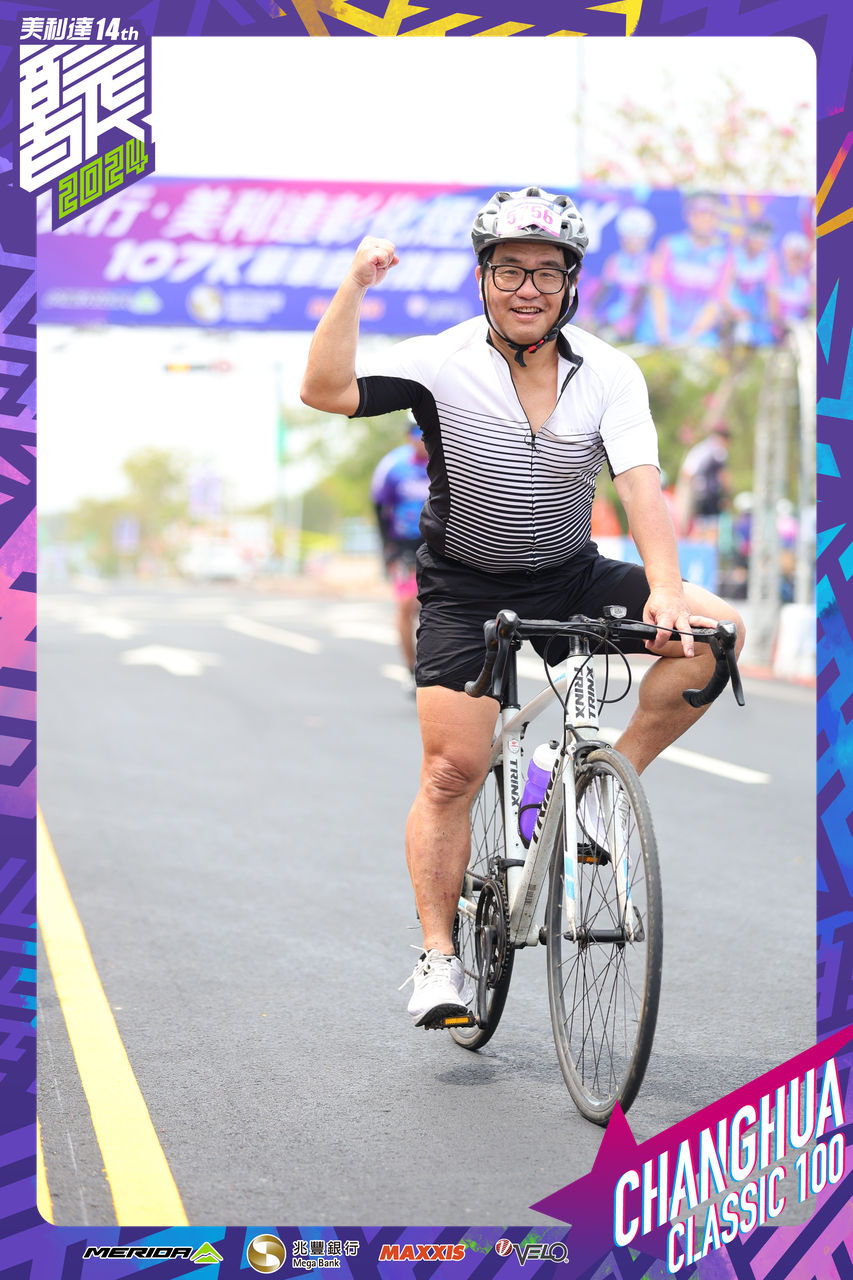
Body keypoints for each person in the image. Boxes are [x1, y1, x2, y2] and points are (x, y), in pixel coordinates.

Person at [300, 185, 745, 1029]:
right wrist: (353, 285)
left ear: (570, 283)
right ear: (483, 277)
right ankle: (439, 960)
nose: (527, 287)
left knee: (715, 634)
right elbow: (325, 390)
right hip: (465, 587)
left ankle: (601, 789)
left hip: (570, 573)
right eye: (509, 269)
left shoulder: (609, 373)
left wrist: (662, 587)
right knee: (450, 773)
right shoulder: (440, 362)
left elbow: (640, 486)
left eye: (547, 271)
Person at [369, 417, 429, 681]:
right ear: (407, 436)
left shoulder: (447, 461)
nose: (421, 439)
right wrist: (387, 550)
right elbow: (379, 509)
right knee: (407, 605)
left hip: (439, 545)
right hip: (405, 546)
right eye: (415, 432)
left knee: (436, 608)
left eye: (425, 431)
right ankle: (410, 668)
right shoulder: (393, 465)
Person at [637, 191, 728, 348]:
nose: (706, 218)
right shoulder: (669, 245)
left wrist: (690, 338)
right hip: (656, 333)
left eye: (712, 213)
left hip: (699, 338)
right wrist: (663, 335)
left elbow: (715, 302)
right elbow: (657, 290)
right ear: (689, 215)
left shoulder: (723, 255)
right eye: (701, 212)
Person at [676, 422, 732, 536]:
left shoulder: (701, 448)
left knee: (699, 527)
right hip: (710, 494)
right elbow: (722, 475)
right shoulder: (718, 450)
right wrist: (728, 493)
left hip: (700, 494)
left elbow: (686, 472)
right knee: (713, 528)